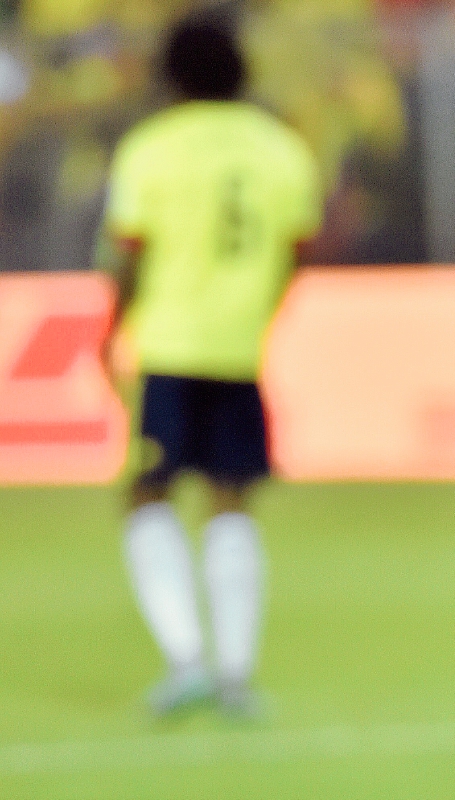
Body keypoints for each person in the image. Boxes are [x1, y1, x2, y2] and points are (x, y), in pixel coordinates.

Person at [99, 16, 322, 715]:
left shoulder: (152, 147)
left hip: (168, 345)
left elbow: (130, 251)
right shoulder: (282, 147)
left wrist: (111, 329)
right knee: (231, 500)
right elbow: (296, 249)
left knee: (147, 494)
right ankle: (234, 675)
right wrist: (257, 310)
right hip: (239, 347)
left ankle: (187, 660)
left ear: (172, 76)